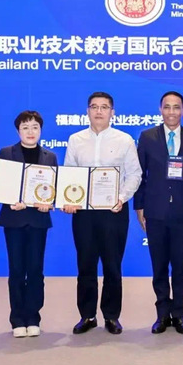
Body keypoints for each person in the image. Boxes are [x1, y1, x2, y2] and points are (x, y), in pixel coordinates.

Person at [63, 92, 142, 335]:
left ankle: (111, 316)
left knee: (112, 265)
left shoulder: (124, 140)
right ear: (87, 111)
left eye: (104, 107)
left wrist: (122, 198)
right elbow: (69, 173)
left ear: (112, 112)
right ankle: (87, 316)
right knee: (85, 265)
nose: (99, 111)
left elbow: (135, 174)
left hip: (113, 211)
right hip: (84, 213)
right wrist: (69, 199)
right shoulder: (76, 139)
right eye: (94, 107)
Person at [134, 90, 183, 335]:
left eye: (176, 107)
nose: (172, 112)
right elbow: (140, 175)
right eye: (167, 107)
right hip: (155, 211)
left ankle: (179, 314)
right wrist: (139, 207)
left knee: (179, 266)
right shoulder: (147, 137)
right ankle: (162, 314)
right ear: (160, 109)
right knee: (159, 267)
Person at [0, 110, 58, 338]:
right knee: (16, 270)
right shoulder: (6, 153)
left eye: (35, 127)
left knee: (35, 270)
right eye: (25, 127)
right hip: (14, 220)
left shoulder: (49, 157)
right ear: (18, 131)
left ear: (41, 130)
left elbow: (54, 189)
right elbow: (0, 185)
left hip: (38, 220)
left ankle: (33, 317)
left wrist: (49, 203)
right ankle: (17, 319)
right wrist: (10, 200)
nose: (30, 132)